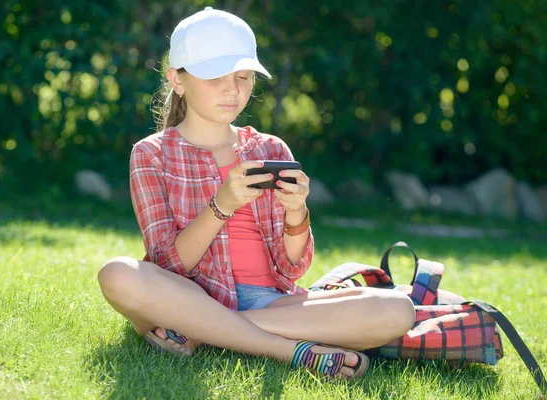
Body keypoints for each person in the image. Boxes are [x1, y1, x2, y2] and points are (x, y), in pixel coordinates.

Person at [98, 7, 415, 380]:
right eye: (216, 76)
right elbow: (168, 265)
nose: (233, 89)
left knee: (398, 309)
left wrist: (297, 214)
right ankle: (290, 350)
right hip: (191, 297)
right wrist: (221, 205)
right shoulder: (152, 154)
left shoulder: (272, 150)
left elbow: (293, 267)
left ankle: (206, 332)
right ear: (177, 80)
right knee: (117, 273)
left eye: (244, 76)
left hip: (273, 303)